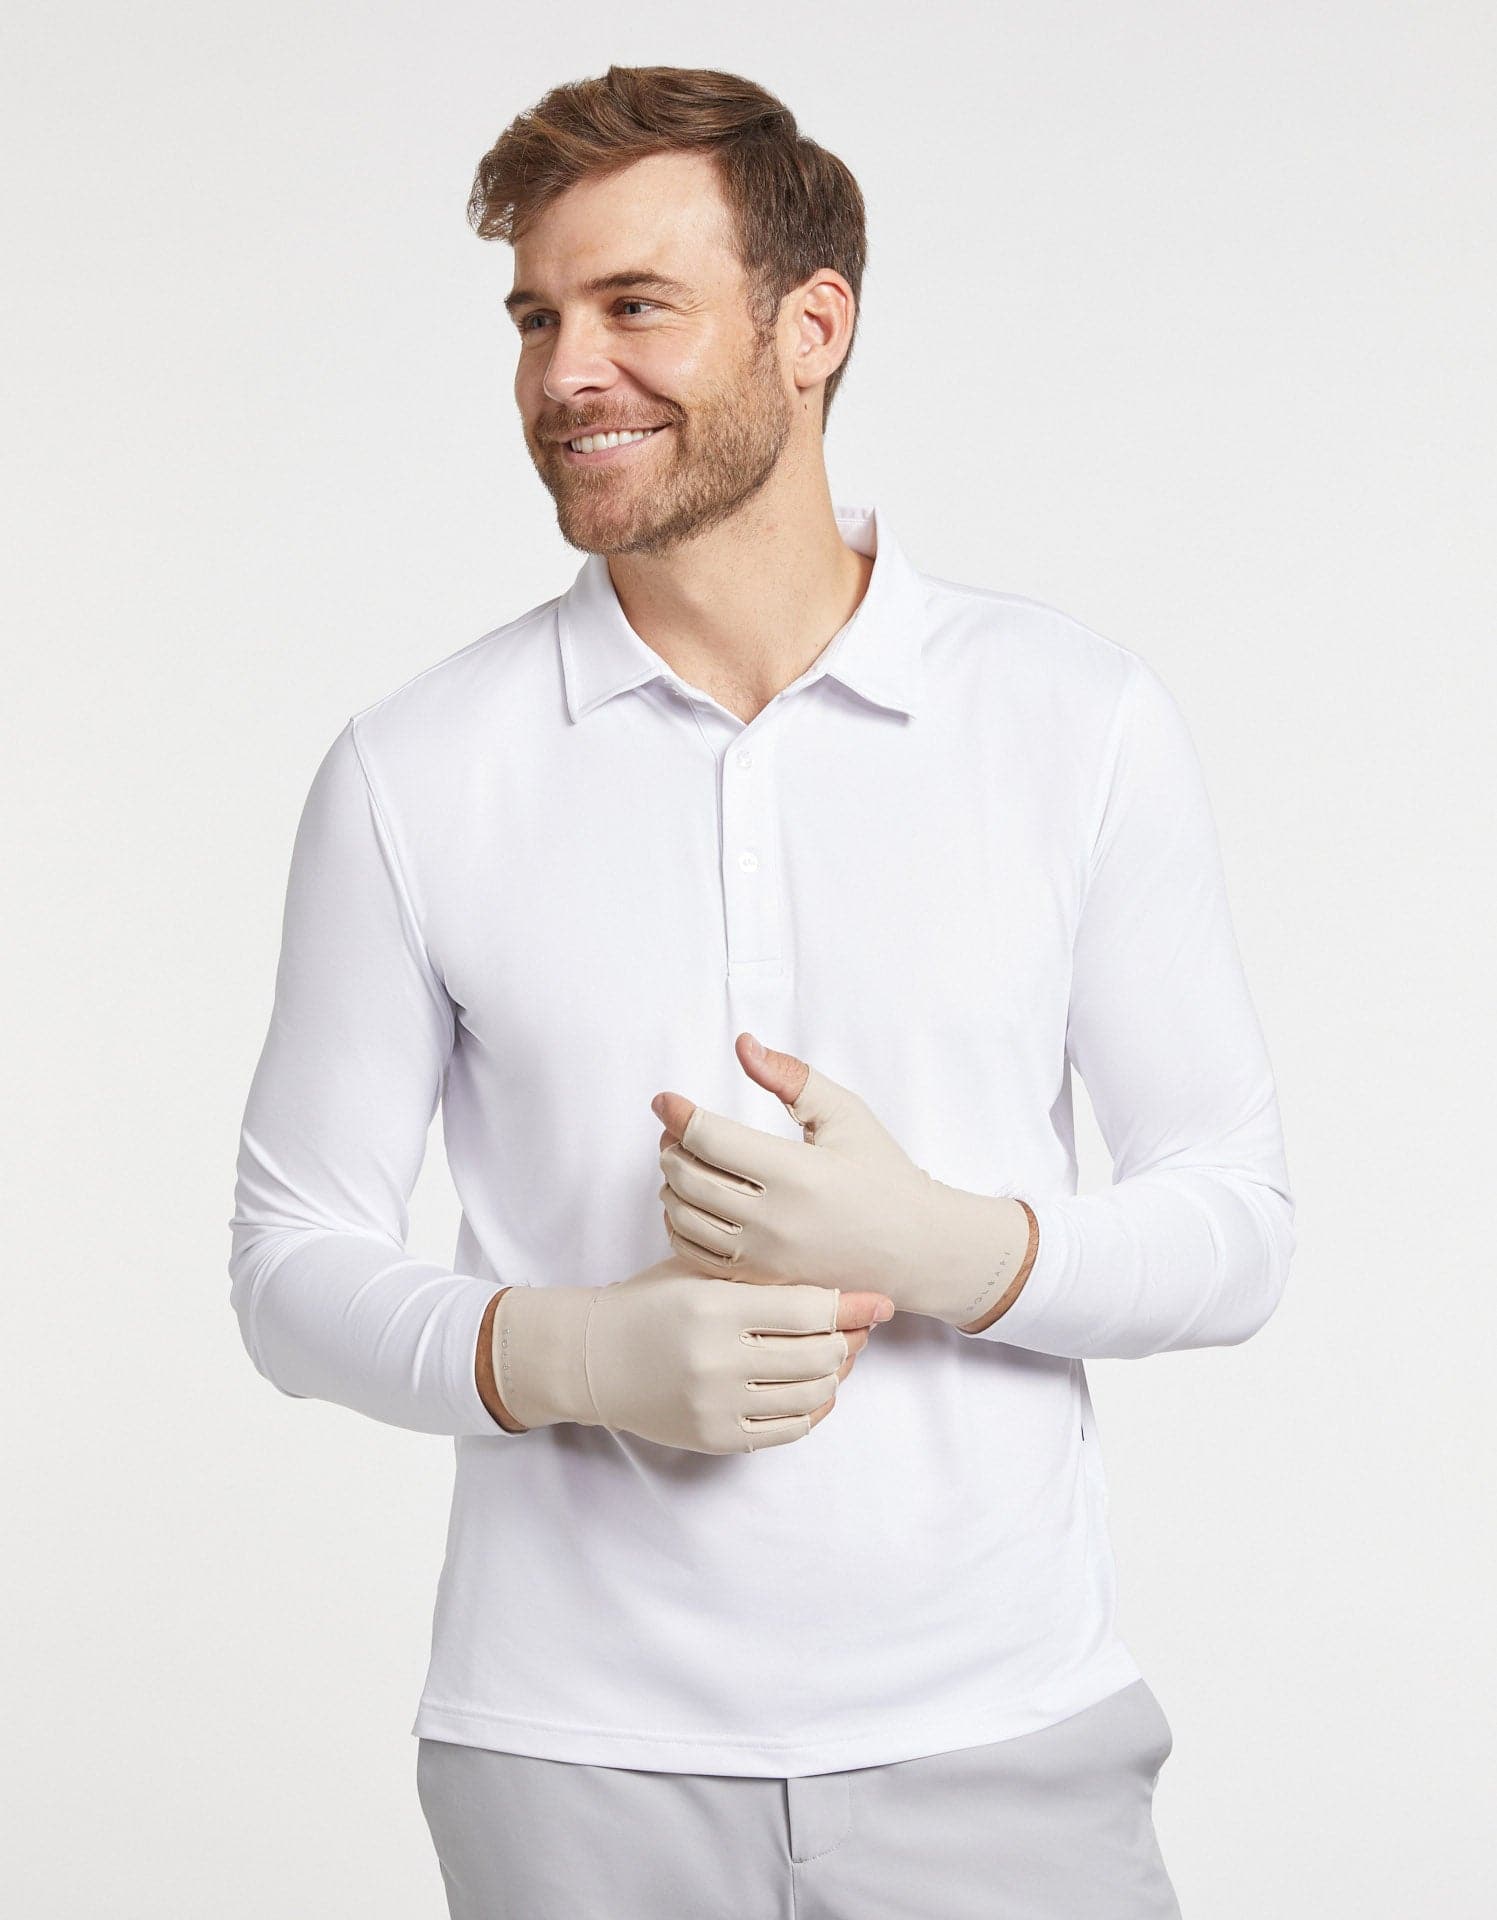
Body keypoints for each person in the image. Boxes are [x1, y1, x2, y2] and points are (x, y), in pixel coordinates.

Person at [227, 62, 1294, 1919]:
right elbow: (286, 1262)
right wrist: (569, 1355)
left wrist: (950, 1247)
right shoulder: (417, 768)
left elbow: (1238, 1228)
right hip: (567, 1770)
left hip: (1004, 1740)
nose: (566, 373)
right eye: (536, 319)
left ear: (812, 329)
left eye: (634, 306)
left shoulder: (1072, 721)